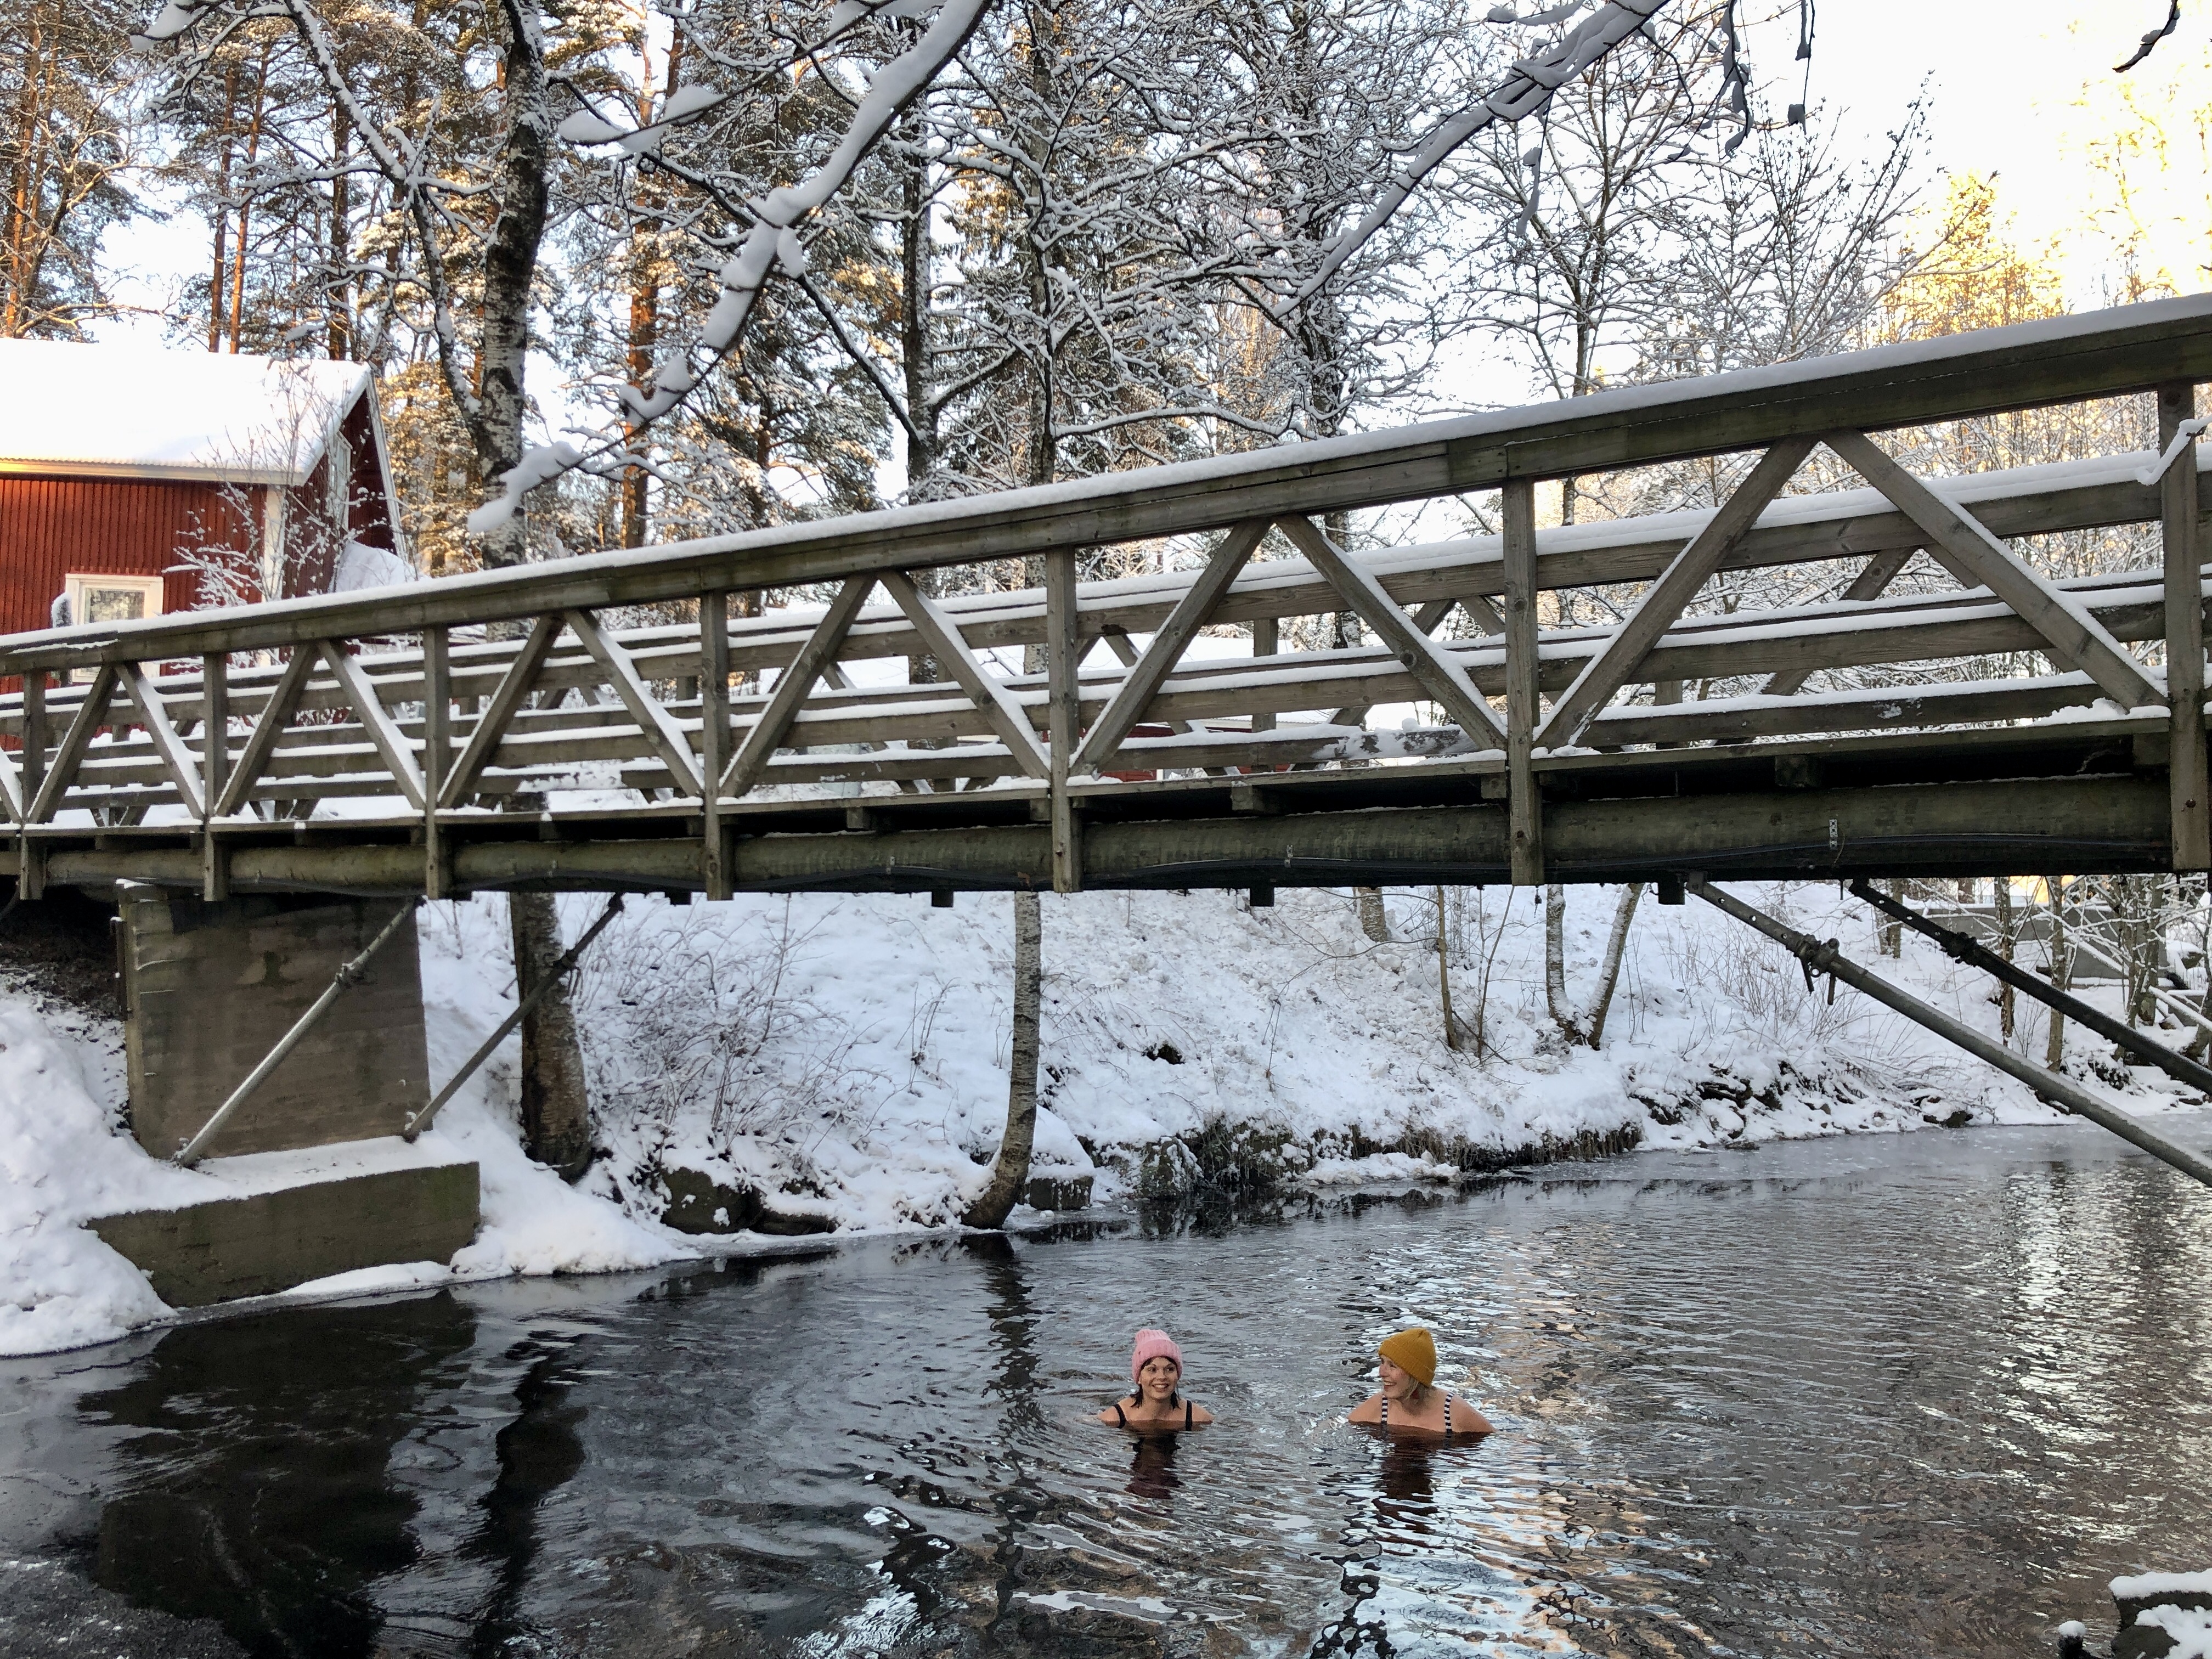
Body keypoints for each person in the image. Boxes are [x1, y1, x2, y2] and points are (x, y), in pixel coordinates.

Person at [1347, 1327, 1491, 1436]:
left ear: (1415, 1375)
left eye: (1392, 1366)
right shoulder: (1381, 1406)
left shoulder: (1453, 1412)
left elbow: (1494, 1444)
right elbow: (1341, 1425)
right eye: (1382, 1362)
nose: (1382, 1373)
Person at [1098, 1328, 1214, 1430]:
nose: (1162, 1377)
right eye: (1152, 1370)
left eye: (1169, 1369)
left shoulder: (1196, 1417)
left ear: (1178, 1375)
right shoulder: (1116, 1418)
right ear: (1139, 1377)